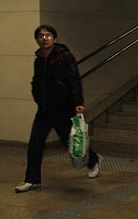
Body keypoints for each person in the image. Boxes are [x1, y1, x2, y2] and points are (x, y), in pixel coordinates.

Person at [15, 25, 102, 193]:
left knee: (70, 141)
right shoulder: (39, 59)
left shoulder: (64, 56)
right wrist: (37, 95)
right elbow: (37, 81)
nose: (44, 38)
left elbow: (73, 79)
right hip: (44, 109)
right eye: (41, 36)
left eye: (48, 35)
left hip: (62, 108)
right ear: (37, 40)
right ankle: (32, 179)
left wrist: (78, 101)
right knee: (35, 143)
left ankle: (94, 161)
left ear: (54, 39)